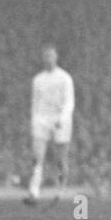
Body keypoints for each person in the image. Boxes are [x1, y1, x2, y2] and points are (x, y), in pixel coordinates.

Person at [25, 44, 74, 206]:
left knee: (61, 159)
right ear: (42, 59)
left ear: (56, 57)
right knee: (37, 157)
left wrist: (63, 118)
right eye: (46, 56)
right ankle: (34, 193)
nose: (48, 59)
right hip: (41, 120)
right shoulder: (38, 79)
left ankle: (60, 191)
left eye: (51, 56)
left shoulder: (65, 78)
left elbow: (69, 102)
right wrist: (34, 121)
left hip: (60, 120)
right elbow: (35, 102)